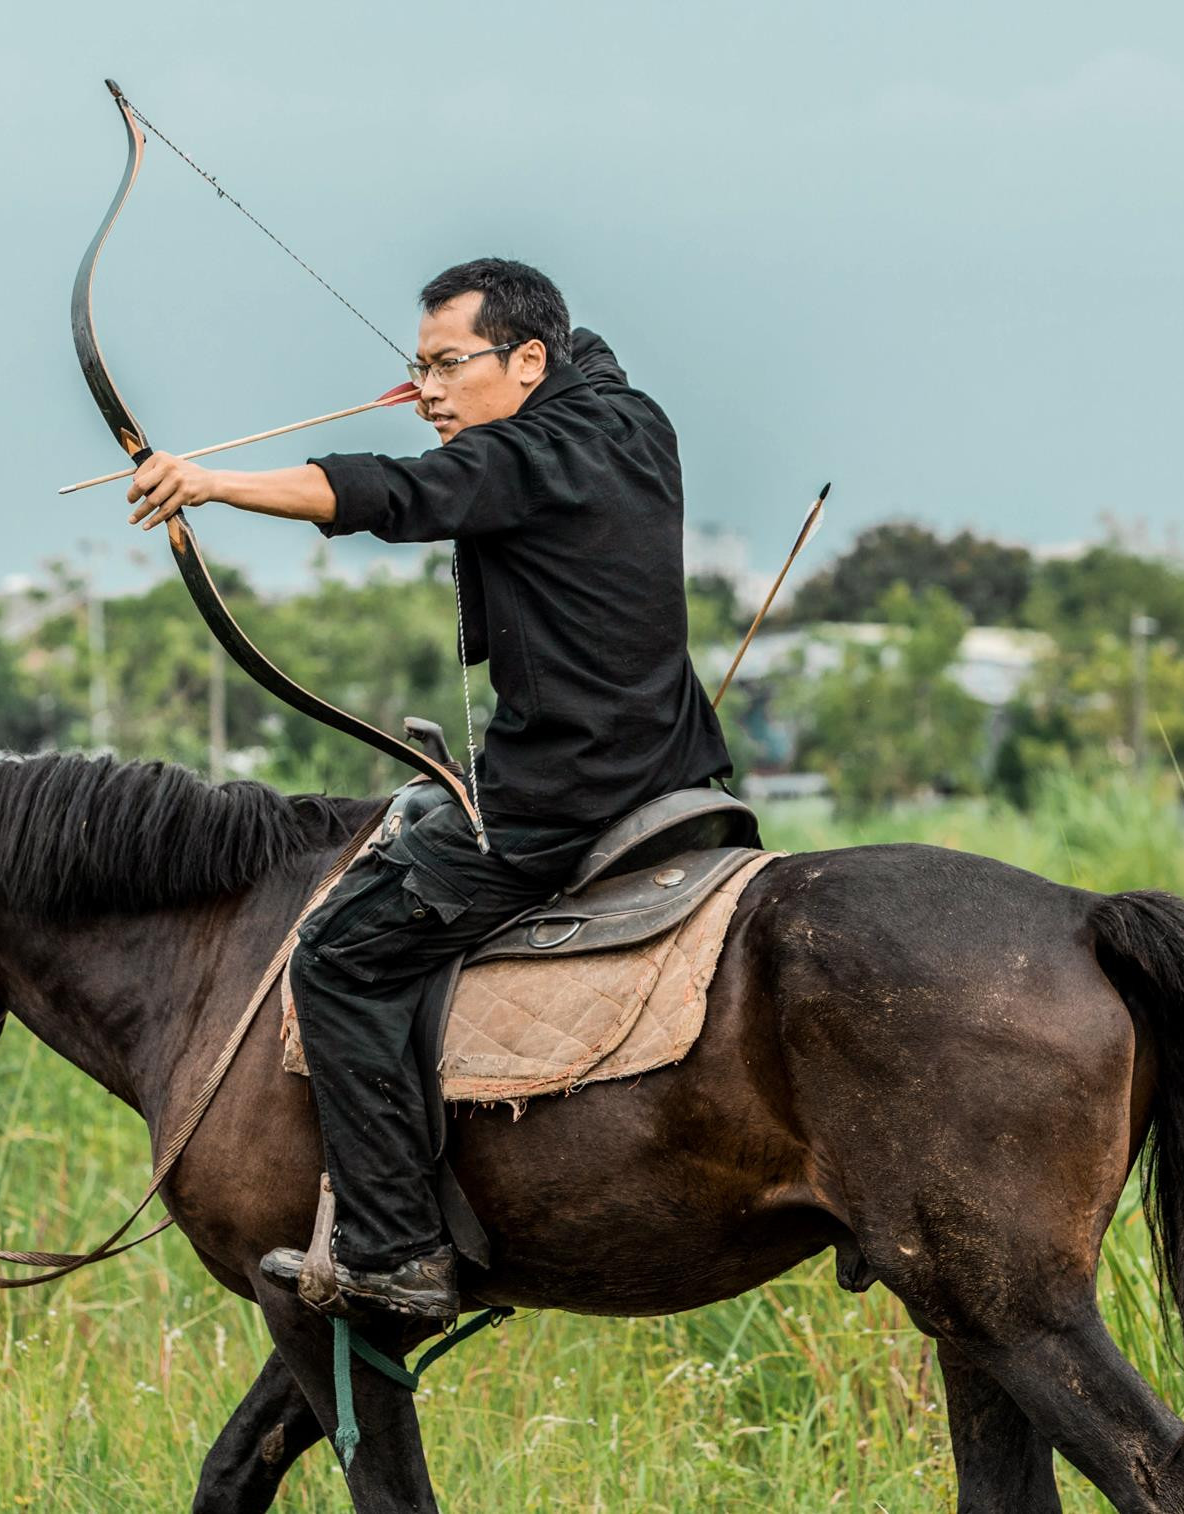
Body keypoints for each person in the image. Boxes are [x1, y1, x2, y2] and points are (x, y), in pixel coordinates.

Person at [125, 258, 732, 1317]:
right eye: (420, 370)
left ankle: (396, 1241)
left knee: (340, 953)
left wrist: (211, 482)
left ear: (525, 361)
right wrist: (455, 376)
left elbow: (390, 491)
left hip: (562, 801)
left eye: (451, 365)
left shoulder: (521, 456)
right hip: (678, 777)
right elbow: (585, 354)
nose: (434, 392)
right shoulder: (632, 418)